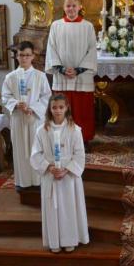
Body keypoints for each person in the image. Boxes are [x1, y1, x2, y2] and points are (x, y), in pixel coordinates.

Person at [30, 94, 90, 253]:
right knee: (52, 208)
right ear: (49, 109)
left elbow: (79, 154)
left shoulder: (75, 130)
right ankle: (54, 241)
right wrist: (49, 168)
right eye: (54, 107)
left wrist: (66, 169)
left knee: (69, 208)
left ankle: (70, 239)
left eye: (61, 107)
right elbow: (35, 154)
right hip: (50, 174)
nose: (57, 111)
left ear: (66, 108)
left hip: (68, 176)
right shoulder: (41, 131)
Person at [45, 0, 98, 142]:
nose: (71, 9)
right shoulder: (56, 26)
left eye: (74, 6)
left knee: (82, 111)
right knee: (62, 110)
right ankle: (61, 140)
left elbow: (92, 50)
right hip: (62, 76)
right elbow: (51, 48)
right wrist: (61, 69)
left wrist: (78, 70)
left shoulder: (88, 26)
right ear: (64, 7)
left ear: (80, 7)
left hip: (82, 77)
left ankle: (83, 140)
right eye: (68, 6)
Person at [2, 41, 52, 191]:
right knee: (20, 150)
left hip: (35, 120)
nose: (24, 58)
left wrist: (33, 108)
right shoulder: (10, 77)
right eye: (21, 55)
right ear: (17, 56)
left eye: (27, 55)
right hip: (18, 119)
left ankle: (38, 181)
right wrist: (17, 104)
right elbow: (5, 97)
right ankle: (22, 182)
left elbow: (47, 97)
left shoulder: (40, 76)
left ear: (33, 56)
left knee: (36, 150)